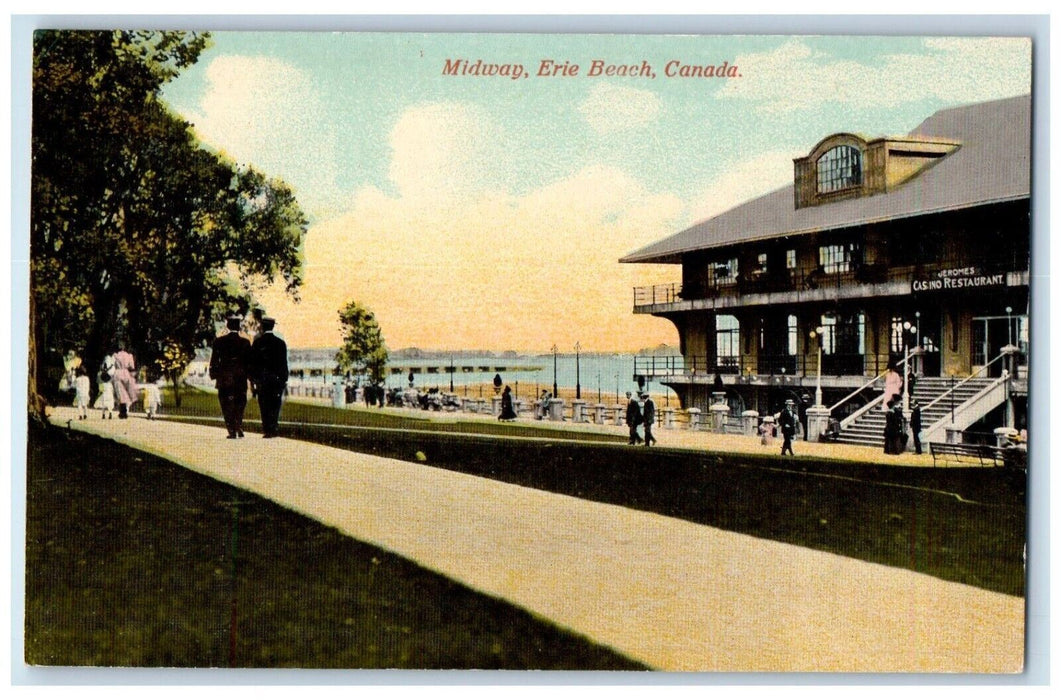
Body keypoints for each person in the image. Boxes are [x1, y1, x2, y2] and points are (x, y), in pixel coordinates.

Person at [210, 315, 251, 439]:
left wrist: (214, 375)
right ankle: (237, 425)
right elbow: (249, 362)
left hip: (224, 378)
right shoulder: (245, 342)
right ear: (239, 327)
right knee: (240, 404)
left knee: (226, 404)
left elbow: (214, 360)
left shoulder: (219, 341)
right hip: (240, 379)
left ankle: (231, 430)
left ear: (227, 326)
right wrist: (249, 376)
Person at [251, 316, 289, 438]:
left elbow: (254, 363)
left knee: (264, 404)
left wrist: (254, 380)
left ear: (262, 326)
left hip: (262, 380)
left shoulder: (258, 343)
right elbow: (283, 363)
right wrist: (284, 379)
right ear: (273, 326)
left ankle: (267, 428)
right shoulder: (280, 343)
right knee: (275, 404)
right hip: (277, 380)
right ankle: (273, 426)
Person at [111, 343, 139, 419]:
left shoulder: (115, 355)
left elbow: (112, 365)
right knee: (127, 392)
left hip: (118, 373)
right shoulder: (129, 356)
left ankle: (122, 412)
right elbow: (132, 366)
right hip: (126, 373)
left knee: (121, 393)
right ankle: (126, 410)